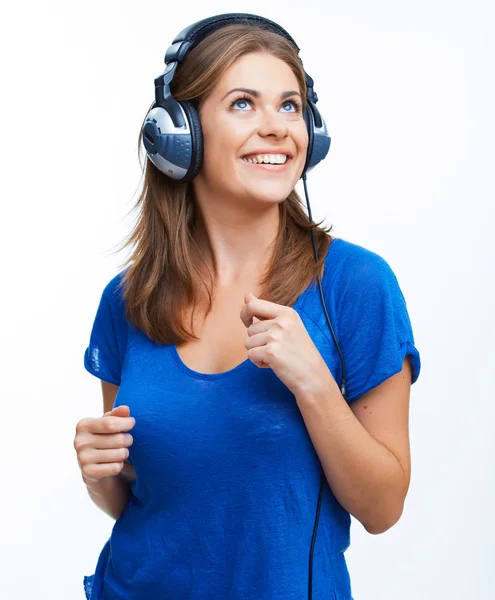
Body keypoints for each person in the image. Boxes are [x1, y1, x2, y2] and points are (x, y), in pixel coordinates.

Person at [75, 13, 421, 600]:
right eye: (243, 104)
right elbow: (148, 500)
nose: (276, 128)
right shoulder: (129, 299)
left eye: (290, 106)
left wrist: (313, 382)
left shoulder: (355, 286)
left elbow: (383, 507)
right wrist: (100, 473)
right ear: (181, 134)